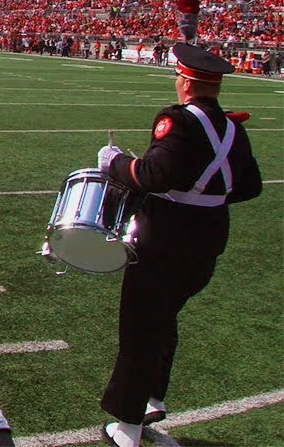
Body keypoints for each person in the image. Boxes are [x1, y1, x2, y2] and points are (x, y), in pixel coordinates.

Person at [95, 42, 261, 447]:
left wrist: (113, 162)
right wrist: (204, 196)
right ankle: (152, 399)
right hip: (207, 241)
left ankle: (128, 427)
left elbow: (155, 175)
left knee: (139, 329)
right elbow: (250, 186)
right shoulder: (233, 128)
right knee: (163, 320)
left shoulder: (178, 121)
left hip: (164, 240)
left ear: (186, 82)